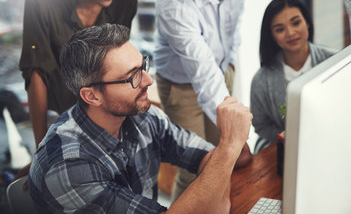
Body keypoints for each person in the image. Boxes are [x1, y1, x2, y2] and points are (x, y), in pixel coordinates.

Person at [28, 23, 253, 213]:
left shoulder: (142, 117)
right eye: (132, 76)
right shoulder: (69, 164)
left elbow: (206, 158)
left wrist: (223, 163)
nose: (148, 80)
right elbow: (219, 165)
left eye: (142, 66)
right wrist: (228, 148)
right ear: (92, 95)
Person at [18, 0, 137, 152]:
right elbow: (36, 74)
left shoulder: (125, 1)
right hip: (57, 115)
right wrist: (41, 147)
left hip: (104, 115)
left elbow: (117, 72)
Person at [153, 0, 251, 199]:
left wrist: (230, 64)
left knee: (227, 157)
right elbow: (201, 68)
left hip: (220, 71)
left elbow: (234, 26)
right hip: (181, 87)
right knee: (196, 165)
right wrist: (237, 135)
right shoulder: (173, 2)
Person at [250, 0, 335, 149]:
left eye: (296, 23)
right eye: (280, 29)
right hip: (283, 148)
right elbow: (260, 125)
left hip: (329, 141)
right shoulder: (261, 79)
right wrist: (286, 136)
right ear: (272, 36)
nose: (290, 32)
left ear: (307, 22)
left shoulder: (335, 61)